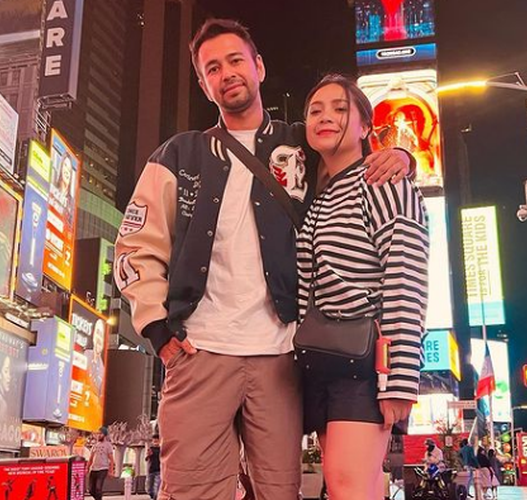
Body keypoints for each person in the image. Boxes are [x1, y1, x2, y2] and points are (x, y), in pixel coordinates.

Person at [114, 18, 413, 500]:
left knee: (279, 491)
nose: (227, 73)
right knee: (190, 490)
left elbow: (351, 149)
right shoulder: (177, 154)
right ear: (204, 83)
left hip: (281, 357)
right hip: (198, 353)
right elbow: (135, 245)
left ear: (258, 67)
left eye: (235, 60)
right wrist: (156, 329)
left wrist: (398, 155)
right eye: (212, 68)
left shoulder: (301, 143)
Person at [296, 74, 429, 500]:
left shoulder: (384, 181)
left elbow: (406, 277)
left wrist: (401, 377)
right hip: (320, 359)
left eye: (339, 108)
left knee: (347, 485)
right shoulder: (316, 197)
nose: (326, 117)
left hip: (366, 365)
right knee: (354, 487)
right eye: (315, 111)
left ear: (364, 127)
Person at [87, 427, 115, 500]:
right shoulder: (95, 445)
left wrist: (111, 471)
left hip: (103, 469)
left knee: (98, 488)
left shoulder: (108, 445)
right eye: (98, 433)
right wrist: (87, 469)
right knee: (91, 490)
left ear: (104, 435)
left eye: (101, 433)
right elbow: (91, 458)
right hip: (93, 469)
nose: (99, 435)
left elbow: (111, 459)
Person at [145, 436, 161, 500]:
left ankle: (155, 498)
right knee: (149, 488)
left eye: (157, 441)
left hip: (159, 470)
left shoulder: (162, 449)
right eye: (154, 441)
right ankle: (152, 495)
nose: (155, 443)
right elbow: (146, 459)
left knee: (157, 487)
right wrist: (148, 455)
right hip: (151, 470)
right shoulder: (150, 449)